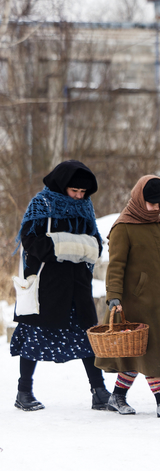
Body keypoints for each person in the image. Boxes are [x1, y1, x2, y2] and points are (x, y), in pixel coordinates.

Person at [10, 160, 109, 411]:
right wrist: (63, 248)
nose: (79, 196)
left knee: (87, 336)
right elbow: (30, 240)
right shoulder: (42, 204)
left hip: (78, 283)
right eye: (74, 191)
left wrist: (74, 248)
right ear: (62, 184)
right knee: (35, 336)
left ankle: (99, 391)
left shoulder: (85, 207)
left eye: (83, 193)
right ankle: (24, 392)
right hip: (48, 284)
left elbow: (95, 242)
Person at [96, 175, 160, 418]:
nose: (156, 208)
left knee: (140, 353)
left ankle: (117, 397)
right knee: (149, 352)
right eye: (152, 203)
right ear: (140, 199)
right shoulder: (123, 227)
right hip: (133, 301)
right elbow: (116, 266)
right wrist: (114, 296)